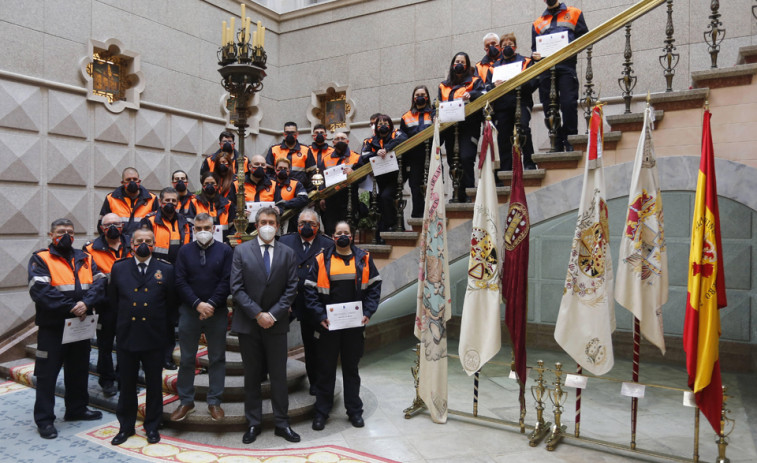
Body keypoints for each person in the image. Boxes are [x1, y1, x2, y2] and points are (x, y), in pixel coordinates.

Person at [28, 218, 107, 439]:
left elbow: (100, 283)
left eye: (70, 232)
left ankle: (76, 409)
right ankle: (44, 420)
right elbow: (40, 291)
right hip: (53, 328)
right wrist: (72, 307)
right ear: (51, 234)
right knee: (47, 375)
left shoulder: (85, 258)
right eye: (61, 231)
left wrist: (86, 304)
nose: (66, 235)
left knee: (78, 369)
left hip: (80, 326)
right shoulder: (41, 259)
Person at [230, 207, 300, 444]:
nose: (267, 225)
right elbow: (236, 288)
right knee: (252, 377)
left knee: (279, 376)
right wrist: (258, 314)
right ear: (256, 225)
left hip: (277, 324)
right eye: (262, 222)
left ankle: (282, 423)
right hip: (249, 324)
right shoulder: (241, 251)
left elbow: (292, 288)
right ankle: (253, 423)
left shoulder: (288, 253)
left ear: (278, 226)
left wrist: (273, 314)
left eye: (271, 221)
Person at [304, 221, 381, 430]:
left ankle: (355, 411)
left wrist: (368, 312)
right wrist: (320, 316)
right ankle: (322, 412)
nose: (343, 236)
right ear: (333, 236)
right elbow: (309, 291)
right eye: (339, 233)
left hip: (354, 327)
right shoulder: (321, 259)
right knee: (325, 370)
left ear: (352, 235)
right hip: (328, 326)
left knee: (351, 370)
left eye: (346, 232)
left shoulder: (364, 259)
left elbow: (374, 287)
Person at [108, 228, 175, 446]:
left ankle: (152, 426)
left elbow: (171, 305)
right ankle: (125, 426)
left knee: (154, 386)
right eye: (139, 241)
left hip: (154, 337)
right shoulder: (119, 268)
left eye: (148, 241)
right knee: (126, 385)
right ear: (131, 244)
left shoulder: (165, 269)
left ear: (154, 244)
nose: (143, 244)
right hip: (128, 335)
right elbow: (114, 302)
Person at [172, 213, 233, 422]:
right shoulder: (184, 251)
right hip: (190, 311)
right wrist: (198, 304)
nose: (202, 232)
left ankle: (214, 402)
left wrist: (212, 304)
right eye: (198, 228)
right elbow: (179, 281)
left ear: (214, 228)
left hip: (217, 311)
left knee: (217, 358)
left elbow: (227, 281)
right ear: (193, 230)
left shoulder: (225, 250)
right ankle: (185, 401)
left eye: (206, 227)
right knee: (187, 358)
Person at [279, 208, 334, 395]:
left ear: (318, 226)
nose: (306, 227)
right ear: (297, 224)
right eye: (302, 223)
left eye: (311, 223)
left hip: (312, 303)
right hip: (287, 301)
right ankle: (266, 374)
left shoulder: (327, 244)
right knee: (273, 340)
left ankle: (315, 384)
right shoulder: (285, 241)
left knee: (312, 347)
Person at [141, 187, 192, 369]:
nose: (170, 204)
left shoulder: (184, 222)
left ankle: (166, 357)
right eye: (167, 201)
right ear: (160, 202)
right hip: (154, 276)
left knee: (170, 320)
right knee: (153, 318)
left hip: (177, 276)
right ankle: (148, 356)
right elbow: (143, 249)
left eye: (173, 201)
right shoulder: (149, 221)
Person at [84, 213, 132, 397]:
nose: (112, 227)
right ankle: (107, 380)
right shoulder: (90, 249)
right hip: (105, 304)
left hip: (128, 302)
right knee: (105, 345)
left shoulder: (132, 244)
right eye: (108, 224)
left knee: (126, 344)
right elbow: (89, 277)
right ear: (101, 228)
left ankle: (124, 378)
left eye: (116, 223)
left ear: (122, 226)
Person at [532, 0, 589, 152]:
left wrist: (571, 48)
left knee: (568, 103)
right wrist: (535, 56)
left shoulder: (574, 13)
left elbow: (585, 37)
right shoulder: (537, 23)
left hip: (566, 66)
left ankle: (570, 140)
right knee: (549, 107)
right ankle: (555, 143)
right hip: (546, 70)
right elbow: (534, 49)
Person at [486, 33, 538, 172]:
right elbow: (486, 87)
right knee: (503, 137)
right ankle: (506, 169)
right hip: (502, 107)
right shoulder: (493, 67)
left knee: (523, 130)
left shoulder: (525, 62)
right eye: (504, 45)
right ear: (500, 48)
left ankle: (529, 163)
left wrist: (520, 83)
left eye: (510, 45)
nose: (507, 47)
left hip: (521, 101)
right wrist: (494, 86)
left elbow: (534, 81)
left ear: (515, 46)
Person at [439, 52, 486, 202]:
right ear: (452, 64)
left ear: (467, 65)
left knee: (466, 158)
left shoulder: (475, 81)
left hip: (469, 127)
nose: (459, 64)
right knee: (453, 162)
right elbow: (438, 104)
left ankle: (468, 194)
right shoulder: (443, 86)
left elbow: (484, 94)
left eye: (462, 61)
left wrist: (471, 94)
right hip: (450, 129)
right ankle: (456, 193)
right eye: (456, 61)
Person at [361, 114, 408, 240]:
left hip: (396, 176)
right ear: (376, 127)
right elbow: (364, 155)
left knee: (386, 196)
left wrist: (387, 148)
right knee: (382, 203)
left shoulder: (396, 133)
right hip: (379, 177)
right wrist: (376, 153)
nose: (383, 126)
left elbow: (404, 139)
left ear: (390, 125)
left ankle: (392, 225)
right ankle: (385, 230)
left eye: (385, 123)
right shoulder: (370, 141)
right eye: (380, 124)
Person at [399, 85, 435, 218]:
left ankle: (434, 212)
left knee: (434, 183)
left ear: (427, 97)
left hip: (431, 154)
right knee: (415, 185)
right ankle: (418, 214)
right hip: (414, 157)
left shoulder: (433, 113)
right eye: (417, 95)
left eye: (422, 94)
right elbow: (402, 136)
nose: (420, 97)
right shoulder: (406, 116)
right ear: (413, 98)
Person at [317, 131, 362, 235]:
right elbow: (321, 179)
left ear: (347, 141)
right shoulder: (326, 158)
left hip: (349, 198)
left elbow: (363, 177)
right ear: (333, 142)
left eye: (342, 138)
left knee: (348, 229)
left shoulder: (356, 157)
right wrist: (322, 197)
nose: (340, 140)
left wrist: (354, 173)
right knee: (330, 229)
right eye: (337, 138)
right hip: (331, 199)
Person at [98, 167, 157, 236]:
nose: (132, 182)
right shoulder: (111, 198)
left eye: (135, 179)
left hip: (140, 243)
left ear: (139, 181)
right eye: (128, 180)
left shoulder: (151, 199)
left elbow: (156, 226)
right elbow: (102, 225)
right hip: (119, 243)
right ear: (122, 182)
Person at [265, 122, 316, 191]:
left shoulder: (305, 150)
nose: (290, 135)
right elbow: (267, 173)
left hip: (300, 190)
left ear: (297, 134)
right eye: (287, 133)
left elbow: (312, 174)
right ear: (284, 134)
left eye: (292, 133)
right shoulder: (274, 149)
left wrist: (307, 191)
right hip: (278, 190)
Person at [186, 172, 234, 242]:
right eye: (206, 183)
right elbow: (190, 227)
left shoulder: (227, 204)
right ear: (202, 186)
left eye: (212, 183)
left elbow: (233, 228)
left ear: (217, 185)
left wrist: (228, 244)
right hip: (200, 244)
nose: (209, 186)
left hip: (223, 244)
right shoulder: (194, 202)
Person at [272, 157, 309, 231]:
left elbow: (304, 198)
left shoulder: (295, 183)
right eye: (280, 168)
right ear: (275, 169)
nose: (283, 170)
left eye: (285, 168)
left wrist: (284, 204)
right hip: (272, 219)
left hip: (290, 221)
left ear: (289, 170)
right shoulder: (269, 183)